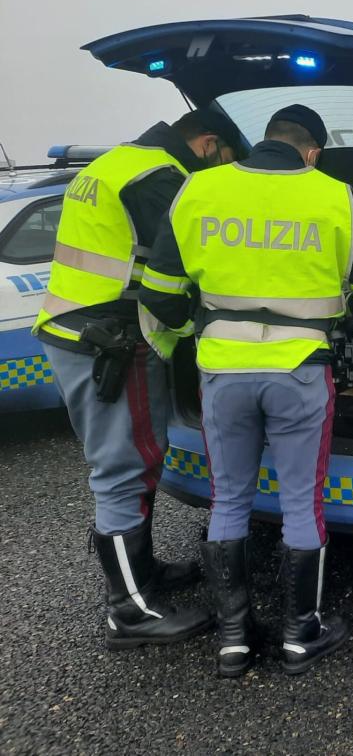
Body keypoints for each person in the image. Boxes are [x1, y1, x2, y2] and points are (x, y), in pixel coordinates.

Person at [139, 104, 353, 677]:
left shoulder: (199, 191)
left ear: (264, 141)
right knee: (300, 502)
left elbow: (157, 292)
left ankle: (233, 639)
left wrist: (198, 331)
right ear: (312, 152)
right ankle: (300, 635)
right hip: (300, 370)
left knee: (229, 498)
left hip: (222, 372)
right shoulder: (333, 194)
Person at [32, 109, 241, 650]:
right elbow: (190, 262)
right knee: (123, 467)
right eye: (225, 164)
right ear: (209, 144)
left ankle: (144, 576)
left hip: (77, 329)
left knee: (132, 459)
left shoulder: (116, 162)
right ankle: (130, 612)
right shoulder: (158, 178)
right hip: (111, 341)